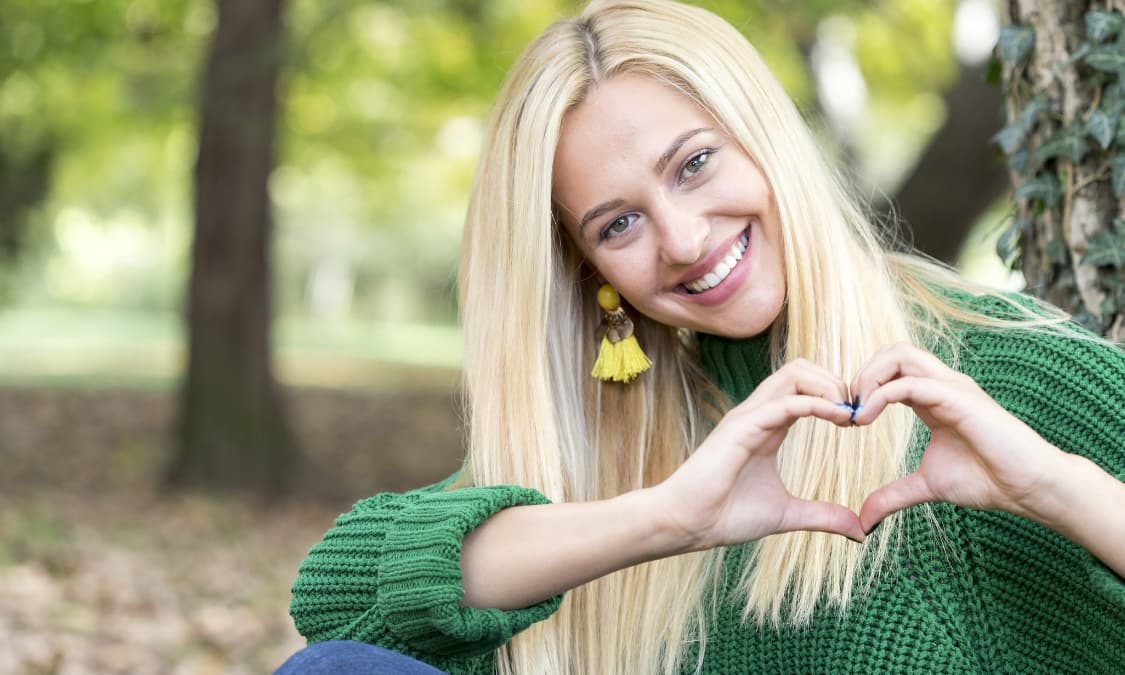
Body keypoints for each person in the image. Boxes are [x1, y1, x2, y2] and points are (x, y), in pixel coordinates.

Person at [279, 0, 1125, 673]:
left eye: (693, 164)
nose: (682, 239)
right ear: (589, 271)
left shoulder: (996, 373)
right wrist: (665, 518)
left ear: (764, 142)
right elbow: (340, 598)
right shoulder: (610, 450)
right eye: (617, 224)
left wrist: (1055, 487)